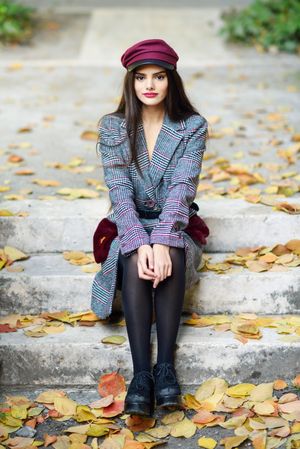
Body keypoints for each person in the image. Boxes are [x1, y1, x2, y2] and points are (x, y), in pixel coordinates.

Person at [91, 38, 209, 417]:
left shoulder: (192, 126)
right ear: (131, 81)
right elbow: (120, 192)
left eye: (159, 76)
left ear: (172, 80)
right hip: (129, 221)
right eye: (141, 77)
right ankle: (142, 373)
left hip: (177, 222)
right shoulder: (113, 127)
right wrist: (140, 241)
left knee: (171, 252)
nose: (150, 85)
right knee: (131, 258)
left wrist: (161, 239)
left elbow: (182, 188)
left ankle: (166, 368)